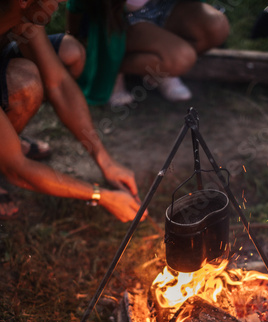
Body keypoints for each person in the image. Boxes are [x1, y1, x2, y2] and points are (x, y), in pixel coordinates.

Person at [0, 0, 142, 222]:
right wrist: (101, 195)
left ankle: (8, 137)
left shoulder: (23, 15)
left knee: (70, 52)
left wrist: (104, 160)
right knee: (25, 83)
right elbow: (17, 169)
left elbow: (59, 84)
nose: (61, 1)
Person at [66, 0, 229, 106]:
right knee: (182, 58)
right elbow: (75, 6)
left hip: (166, 7)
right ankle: (108, 68)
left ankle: (156, 67)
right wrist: (73, 36)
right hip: (123, 18)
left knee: (216, 26)